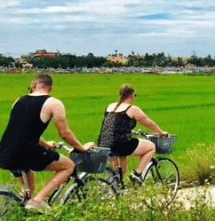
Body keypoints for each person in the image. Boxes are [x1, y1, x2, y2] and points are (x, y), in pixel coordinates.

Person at [0, 75, 94, 211]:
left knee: (28, 190)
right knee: (69, 166)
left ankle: (20, 211)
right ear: (50, 88)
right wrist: (81, 148)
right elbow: (65, 133)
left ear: (33, 85)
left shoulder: (18, 101)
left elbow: (23, 130)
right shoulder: (54, 103)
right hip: (26, 152)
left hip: (5, 152)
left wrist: (46, 145)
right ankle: (38, 201)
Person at [97, 84, 168, 184]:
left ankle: (112, 192)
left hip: (104, 143)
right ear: (131, 95)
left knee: (120, 171)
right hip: (121, 144)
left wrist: (128, 131)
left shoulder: (110, 106)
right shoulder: (132, 109)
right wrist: (161, 132)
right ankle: (137, 174)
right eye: (135, 95)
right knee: (151, 147)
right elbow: (148, 123)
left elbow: (114, 125)